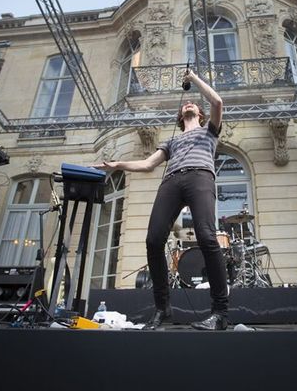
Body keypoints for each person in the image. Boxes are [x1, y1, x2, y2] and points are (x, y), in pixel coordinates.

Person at [94, 70, 228, 330]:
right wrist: (117, 164)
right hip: (171, 182)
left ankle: (220, 313)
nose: (188, 104)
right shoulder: (172, 141)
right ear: (180, 117)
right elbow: (147, 164)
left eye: (193, 105)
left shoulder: (209, 131)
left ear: (200, 114)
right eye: (185, 105)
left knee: (207, 237)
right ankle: (162, 308)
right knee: (153, 240)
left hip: (200, 177)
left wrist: (194, 78)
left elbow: (218, 103)